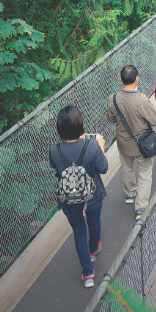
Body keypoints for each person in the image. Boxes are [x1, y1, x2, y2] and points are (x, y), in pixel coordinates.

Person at [49, 105, 108, 287]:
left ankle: (88, 274)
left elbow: (56, 168)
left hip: (69, 199)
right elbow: (104, 168)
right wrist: (100, 146)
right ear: (81, 126)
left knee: (79, 232)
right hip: (92, 195)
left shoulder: (54, 150)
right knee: (94, 222)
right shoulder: (92, 145)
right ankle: (93, 250)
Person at [106, 65, 156, 221]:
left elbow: (111, 118)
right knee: (145, 172)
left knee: (127, 168)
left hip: (123, 143)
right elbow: (155, 120)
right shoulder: (141, 100)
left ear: (121, 79)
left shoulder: (113, 98)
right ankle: (141, 207)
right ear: (137, 78)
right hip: (142, 145)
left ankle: (130, 194)